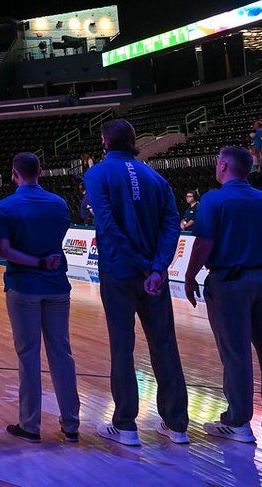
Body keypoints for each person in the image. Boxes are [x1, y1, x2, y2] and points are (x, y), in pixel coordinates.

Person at [84, 119, 188, 446]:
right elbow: (172, 224)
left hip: (119, 271)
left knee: (122, 346)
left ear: (104, 141)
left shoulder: (96, 173)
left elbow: (107, 225)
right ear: (132, 141)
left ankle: (126, 425)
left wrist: (143, 265)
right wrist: (157, 267)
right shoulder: (156, 177)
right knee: (165, 344)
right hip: (153, 276)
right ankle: (177, 424)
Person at [0, 152, 80, 444]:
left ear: (14, 173)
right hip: (57, 286)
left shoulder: (5, 207)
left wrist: (36, 262)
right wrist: (45, 260)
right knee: (62, 353)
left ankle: (30, 425)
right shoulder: (59, 204)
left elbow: (3, 249)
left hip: (23, 286)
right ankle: (71, 423)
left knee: (28, 355)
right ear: (40, 171)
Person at [184, 146, 262, 444]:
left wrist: (190, 275)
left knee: (236, 353)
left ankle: (237, 422)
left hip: (230, 282)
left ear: (222, 166)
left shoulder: (213, 199)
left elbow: (204, 243)